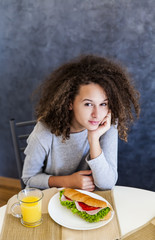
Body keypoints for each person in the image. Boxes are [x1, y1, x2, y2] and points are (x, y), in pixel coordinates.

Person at [22, 54, 140, 191]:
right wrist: (69, 181)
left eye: (103, 104)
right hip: (51, 200)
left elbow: (106, 183)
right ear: (70, 103)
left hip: (87, 201)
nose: (97, 114)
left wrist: (93, 139)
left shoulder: (107, 126)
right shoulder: (44, 131)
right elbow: (29, 179)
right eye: (88, 104)